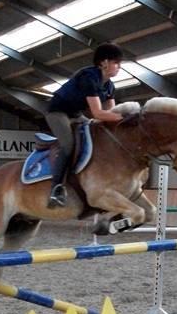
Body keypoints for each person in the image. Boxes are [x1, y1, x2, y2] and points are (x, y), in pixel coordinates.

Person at [45, 43, 125, 208]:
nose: (119, 67)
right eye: (116, 62)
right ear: (104, 62)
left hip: (75, 114)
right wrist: (125, 117)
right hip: (57, 112)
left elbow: (111, 112)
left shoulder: (109, 85)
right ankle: (56, 189)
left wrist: (122, 118)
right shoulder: (89, 77)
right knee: (68, 144)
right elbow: (98, 113)